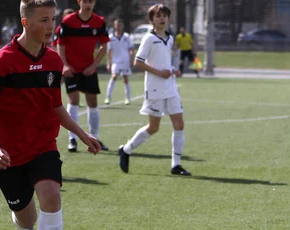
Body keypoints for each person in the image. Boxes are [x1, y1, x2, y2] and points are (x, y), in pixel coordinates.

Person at [0, 0, 101, 230]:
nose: (51, 26)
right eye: (44, 20)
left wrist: (82, 133)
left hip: (42, 145)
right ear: (26, 22)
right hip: (7, 152)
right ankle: (24, 227)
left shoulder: (52, 60)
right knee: (27, 215)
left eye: (52, 19)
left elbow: (55, 105)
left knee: (51, 195)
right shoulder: (0, 62)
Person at [118, 4, 191, 176]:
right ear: (152, 20)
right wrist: (159, 73)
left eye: (164, 15)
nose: (162, 18)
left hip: (170, 87)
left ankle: (176, 165)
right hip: (155, 89)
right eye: (158, 16)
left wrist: (173, 69)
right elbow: (138, 62)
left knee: (179, 123)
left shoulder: (170, 38)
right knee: (153, 127)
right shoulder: (149, 38)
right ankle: (126, 150)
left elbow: (164, 61)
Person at [57, 0, 110, 152]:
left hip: (89, 70)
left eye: (91, 1)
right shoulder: (68, 21)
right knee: (73, 100)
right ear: (79, 2)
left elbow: (104, 46)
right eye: (85, 1)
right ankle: (72, 140)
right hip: (72, 70)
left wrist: (93, 66)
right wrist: (65, 65)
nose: (88, 4)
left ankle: (94, 138)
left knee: (92, 102)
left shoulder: (99, 22)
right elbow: (60, 44)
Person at [104, 18, 134, 105]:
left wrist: (131, 58)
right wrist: (108, 63)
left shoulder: (126, 37)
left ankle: (127, 98)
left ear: (122, 26)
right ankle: (108, 97)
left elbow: (131, 48)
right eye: (117, 25)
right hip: (116, 62)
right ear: (114, 26)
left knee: (125, 78)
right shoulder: (111, 37)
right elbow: (109, 51)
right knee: (114, 76)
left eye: (120, 25)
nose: (118, 27)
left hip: (125, 61)